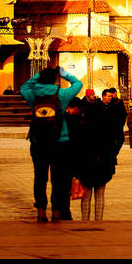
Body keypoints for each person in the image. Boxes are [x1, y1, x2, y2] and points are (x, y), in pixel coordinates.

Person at [21, 66, 84, 222]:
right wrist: (64, 74)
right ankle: (56, 212)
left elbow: (24, 87)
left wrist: (37, 76)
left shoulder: (32, 94)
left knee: (40, 177)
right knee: (59, 179)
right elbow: (78, 84)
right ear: (54, 79)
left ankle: (41, 211)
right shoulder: (61, 94)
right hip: (60, 142)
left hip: (38, 141)